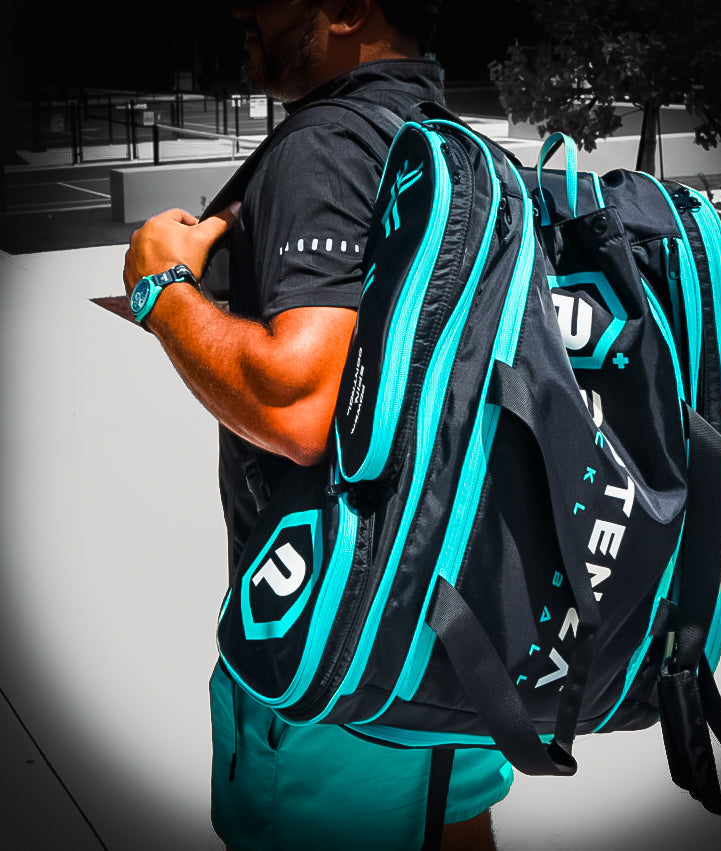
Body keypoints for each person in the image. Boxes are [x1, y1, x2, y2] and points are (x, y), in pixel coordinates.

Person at [121, 1, 513, 848]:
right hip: (451, 625)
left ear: (343, 9)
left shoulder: (325, 144)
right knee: (451, 823)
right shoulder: (455, 141)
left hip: (329, 634)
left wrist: (160, 293)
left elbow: (298, 403)